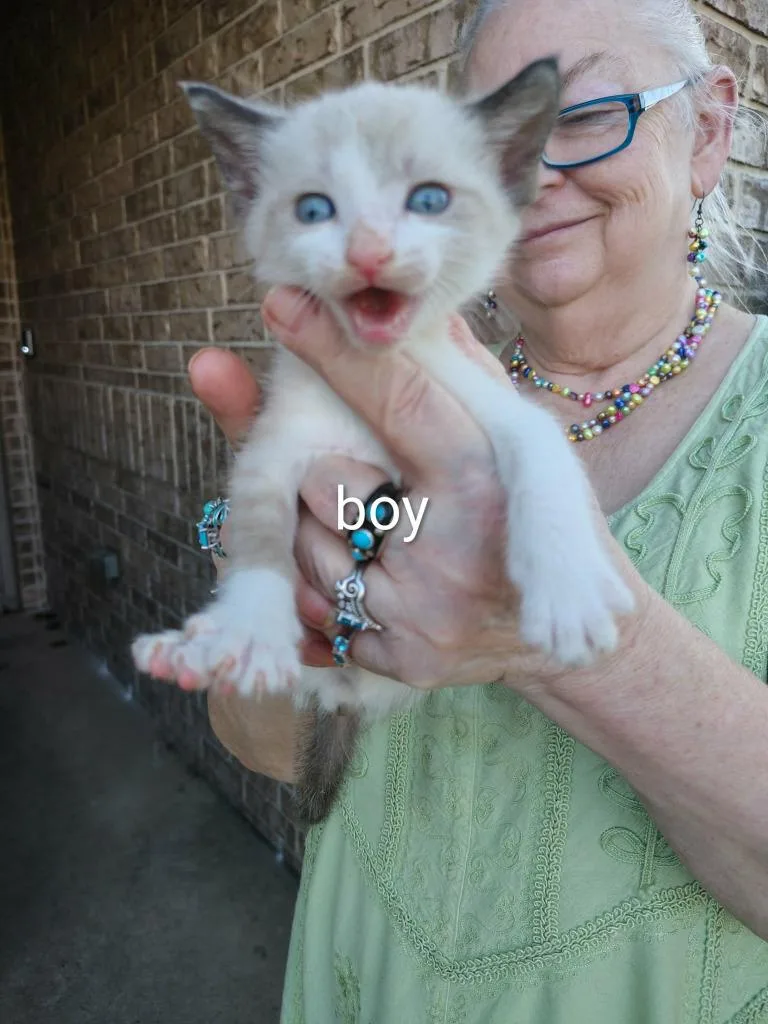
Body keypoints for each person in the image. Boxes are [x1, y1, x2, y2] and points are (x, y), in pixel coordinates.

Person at [185, 0, 768, 1018]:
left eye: (585, 112)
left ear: (710, 131)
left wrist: (581, 646)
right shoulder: (386, 410)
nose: (532, 173)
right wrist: (287, 608)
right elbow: (270, 748)